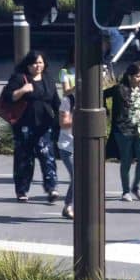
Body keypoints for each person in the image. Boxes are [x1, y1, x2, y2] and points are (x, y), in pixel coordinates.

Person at [3, 50, 60, 203]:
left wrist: (61, 117)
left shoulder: (48, 79)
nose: (37, 66)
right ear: (28, 65)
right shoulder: (19, 78)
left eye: (40, 62)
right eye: (34, 63)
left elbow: (55, 101)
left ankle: (51, 188)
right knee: (24, 159)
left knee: (47, 156)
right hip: (24, 124)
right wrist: (22, 90)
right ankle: (22, 190)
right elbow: (8, 97)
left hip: (44, 125)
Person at [106, 63, 140, 202]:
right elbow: (103, 94)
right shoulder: (119, 89)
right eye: (137, 76)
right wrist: (106, 110)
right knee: (126, 161)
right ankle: (126, 191)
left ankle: (136, 186)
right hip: (124, 130)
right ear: (129, 76)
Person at [57, 91, 74, 219]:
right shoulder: (67, 100)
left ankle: (69, 205)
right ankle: (68, 206)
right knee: (77, 176)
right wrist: (83, 118)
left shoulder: (94, 99)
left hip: (84, 146)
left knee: (79, 178)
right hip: (67, 146)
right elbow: (63, 124)